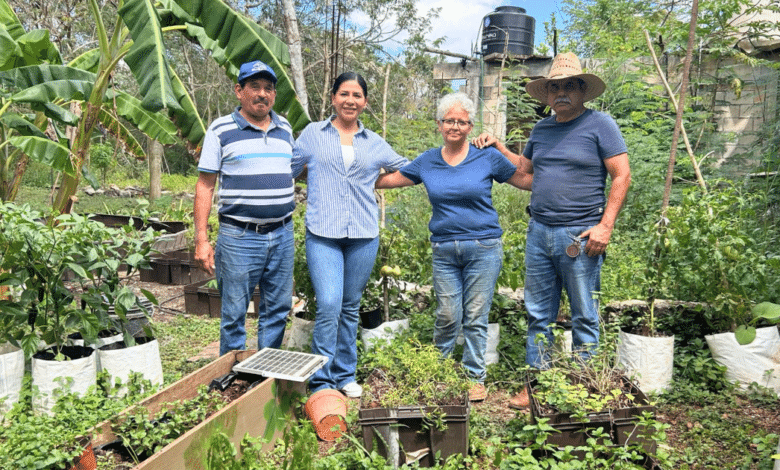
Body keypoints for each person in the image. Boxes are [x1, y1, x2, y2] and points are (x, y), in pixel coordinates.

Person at [473, 52, 632, 409]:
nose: (560, 93)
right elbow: (528, 174)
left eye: (568, 87)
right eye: (554, 87)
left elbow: (622, 174)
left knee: (584, 315)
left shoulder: (600, 124)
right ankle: (537, 386)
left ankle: (585, 388)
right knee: (538, 315)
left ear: (581, 90)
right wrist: (497, 148)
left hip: (581, 236)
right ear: (546, 94)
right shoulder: (542, 129)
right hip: (539, 232)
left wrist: (605, 226)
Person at [375, 92, 528, 402]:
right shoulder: (428, 161)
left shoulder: (487, 157)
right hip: (444, 249)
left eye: (462, 121)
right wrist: (351, 174)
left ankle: (474, 377)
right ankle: (440, 370)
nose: (455, 126)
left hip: (483, 247)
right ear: (439, 124)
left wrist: (559, 178)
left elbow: (525, 180)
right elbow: (390, 180)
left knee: (475, 315)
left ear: (470, 126)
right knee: (447, 314)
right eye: (449, 121)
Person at [293, 72, 409, 398]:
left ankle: (345, 375)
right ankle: (321, 381)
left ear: (365, 102)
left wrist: (378, 181)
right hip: (323, 233)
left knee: (349, 306)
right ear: (333, 97)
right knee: (329, 303)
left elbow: (407, 168)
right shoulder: (314, 134)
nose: (350, 100)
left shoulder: (374, 142)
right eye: (344, 93)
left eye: (357, 95)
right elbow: (291, 166)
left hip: (363, 233)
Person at [194, 60, 301, 356]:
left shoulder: (285, 128)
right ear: (239, 91)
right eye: (255, 87)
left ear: (274, 95)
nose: (262, 94)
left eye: (268, 88)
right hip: (239, 237)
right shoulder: (220, 129)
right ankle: (234, 378)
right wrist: (201, 239)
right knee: (234, 313)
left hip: (282, 234)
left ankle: (265, 377)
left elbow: (291, 171)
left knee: (277, 309)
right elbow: (205, 185)